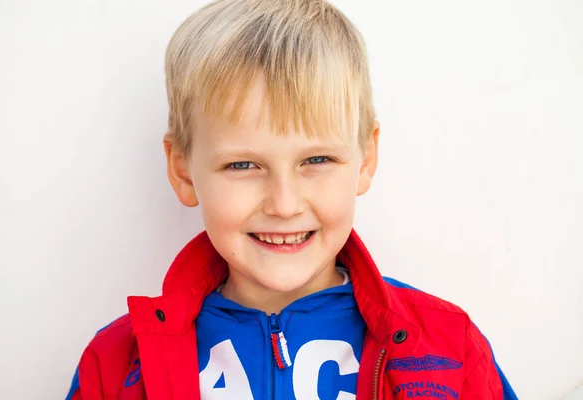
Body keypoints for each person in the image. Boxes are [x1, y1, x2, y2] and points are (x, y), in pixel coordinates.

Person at [66, 0, 517, 398]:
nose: (284, 205)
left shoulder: (448, 349)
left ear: (365, 159)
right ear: (182, 169)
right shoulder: (117, 366)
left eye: (316, 159)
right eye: (243, 165)